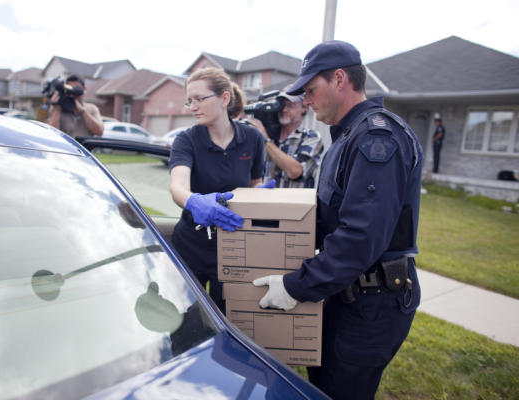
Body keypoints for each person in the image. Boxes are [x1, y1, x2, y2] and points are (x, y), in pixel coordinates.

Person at [252, 40, 424, 399]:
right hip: (344, 295)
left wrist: (296, 286)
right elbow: (329, 216)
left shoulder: (376, 139)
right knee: (323, 386)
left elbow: (360, 238)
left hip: (371, 306)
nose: (306, 102)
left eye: (311, 91)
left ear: (340, 79)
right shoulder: (348, 136)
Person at [169, 67, 267, 313]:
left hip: (234, 243)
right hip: (191, 244)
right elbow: (178, 186)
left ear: (224, 98)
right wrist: (194, 202)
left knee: (228, 315)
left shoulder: (253, 139)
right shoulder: (186, 140)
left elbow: (256, 182)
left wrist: (263, 195)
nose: (192, 107)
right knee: (188, 316)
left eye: (199, 99)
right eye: (189, 101)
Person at [247, 84, 324, 188]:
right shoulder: (267, 133)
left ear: (305, 108)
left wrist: (266, 140)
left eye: (290, 105)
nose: (284, 110)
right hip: (264, 202)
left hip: (292, 203)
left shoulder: (310, 137)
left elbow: (295, 171)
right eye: (282, 105)